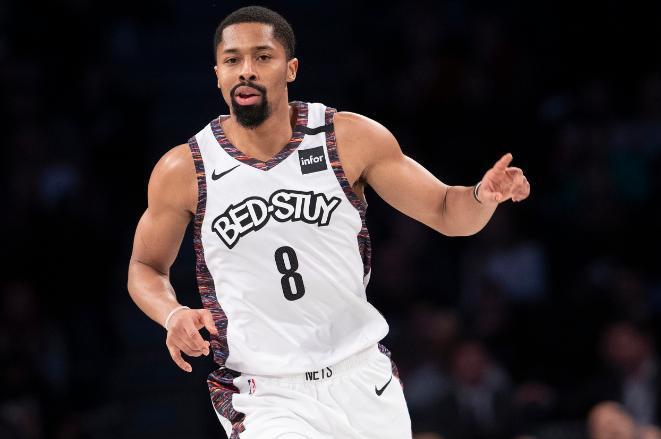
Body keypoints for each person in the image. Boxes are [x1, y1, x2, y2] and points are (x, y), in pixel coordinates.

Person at [127, 6, 530, 438]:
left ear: (291, 68)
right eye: (232, 60)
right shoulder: (185, 169)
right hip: (266, 395)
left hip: (362, 378)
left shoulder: (347, 138)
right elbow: (145, 267)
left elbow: (447, 212)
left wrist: (481, 196)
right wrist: (172, 314)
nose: (246, 70)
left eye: (262, 57)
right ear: (218, 75)